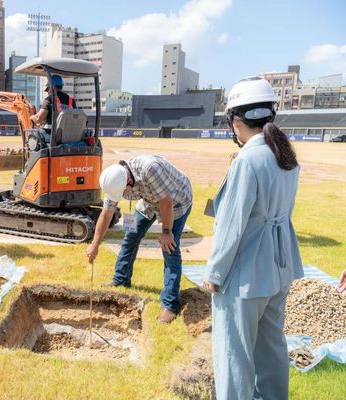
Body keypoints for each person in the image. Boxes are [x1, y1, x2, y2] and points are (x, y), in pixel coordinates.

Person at [202, 77, 303, 400]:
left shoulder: (248, 159)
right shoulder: (284, 157)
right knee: (271, 347)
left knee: (234, 356)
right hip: (279, 268)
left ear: (236, 121)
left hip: (246, 275)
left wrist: (215, 273)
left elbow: (231, 226)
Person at [86, 156, 192, 323]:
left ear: (129, 181)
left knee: (169, 248)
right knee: (130, 237)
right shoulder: (115, 180)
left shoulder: (150, 169)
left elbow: (166, 203)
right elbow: (107, 214)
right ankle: (121, 279)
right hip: (149, 202)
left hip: (176, 202)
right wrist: (95, 244)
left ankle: (170, 304)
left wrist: (166, 232)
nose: (123, 197)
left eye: (124, 193)